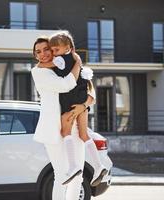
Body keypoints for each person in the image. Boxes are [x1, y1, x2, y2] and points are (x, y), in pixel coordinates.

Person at [31, 36, 92, 200]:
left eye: (46, 49)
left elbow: (89, 91)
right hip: (53, 129)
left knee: (77, 174)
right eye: (38, 52)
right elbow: (67, 85)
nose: (43, 54)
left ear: (53, 50)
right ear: (35, 56)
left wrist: (84, 105)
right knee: (62, 175)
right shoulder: (39, 72)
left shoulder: (62, 67)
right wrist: (78, 63)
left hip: (74, 126)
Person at [49, 31, 108, 186]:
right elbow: (89, 89)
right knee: (84, 134)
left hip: (70, 101)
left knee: (65, 131)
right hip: (82, 103)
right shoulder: (78, 62)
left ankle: (74, 166)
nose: (53, 53)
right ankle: (98, 166)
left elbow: (48, 66)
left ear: (67, 47)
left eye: (56, 49)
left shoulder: (60, 61)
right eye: (52, 50)